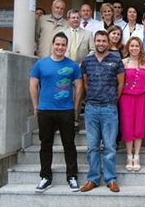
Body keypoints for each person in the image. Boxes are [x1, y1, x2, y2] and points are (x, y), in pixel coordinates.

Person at [29, 32, 82, 192]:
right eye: (57, 44)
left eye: (63, 45)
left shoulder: (72, 65)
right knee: (46, 145)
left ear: (66, 47)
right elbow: (33, 85)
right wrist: (36, 106)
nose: (60, 47)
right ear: (52, 45)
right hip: (45, 110)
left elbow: (79, 87)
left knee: (69, 144)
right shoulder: (40, 64)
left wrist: (75, 108)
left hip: (65, 110)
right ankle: (45, 177)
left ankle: (72, 176)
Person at [80, 30, 124, 193]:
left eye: (103, 41)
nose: (100, 43)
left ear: (108, 43)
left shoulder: (116, 60)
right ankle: (92, 179)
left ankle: (110, 179)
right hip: (91, 108)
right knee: (92, 146)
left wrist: (112, 99)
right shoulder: (87, 61)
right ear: (94, 42)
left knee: (110, 146)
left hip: (109, 108)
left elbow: (120, 84)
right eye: (98, 41)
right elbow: (85, 83)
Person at [120, 36, 145, 171]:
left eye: (137, 46)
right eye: (132, 46)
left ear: (140, 48)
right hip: (126, 97)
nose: (134, 48)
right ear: (128, 47)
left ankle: (136, 155)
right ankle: (128, 155)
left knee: (139, 126)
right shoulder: (123, 63)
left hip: (141, 97)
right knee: (127, 126)